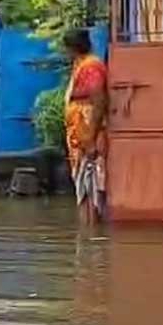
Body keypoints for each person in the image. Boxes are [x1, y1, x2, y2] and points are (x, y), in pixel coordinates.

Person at [62, 28, 109, 223]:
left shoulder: (92, 67)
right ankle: (88, 235)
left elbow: (99, 100)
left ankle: (92, 234)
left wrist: (90, 138)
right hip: (78, 134)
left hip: (87, 133)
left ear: (74, 48)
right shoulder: (80, 65)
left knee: (91, 185)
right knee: (82, 183)